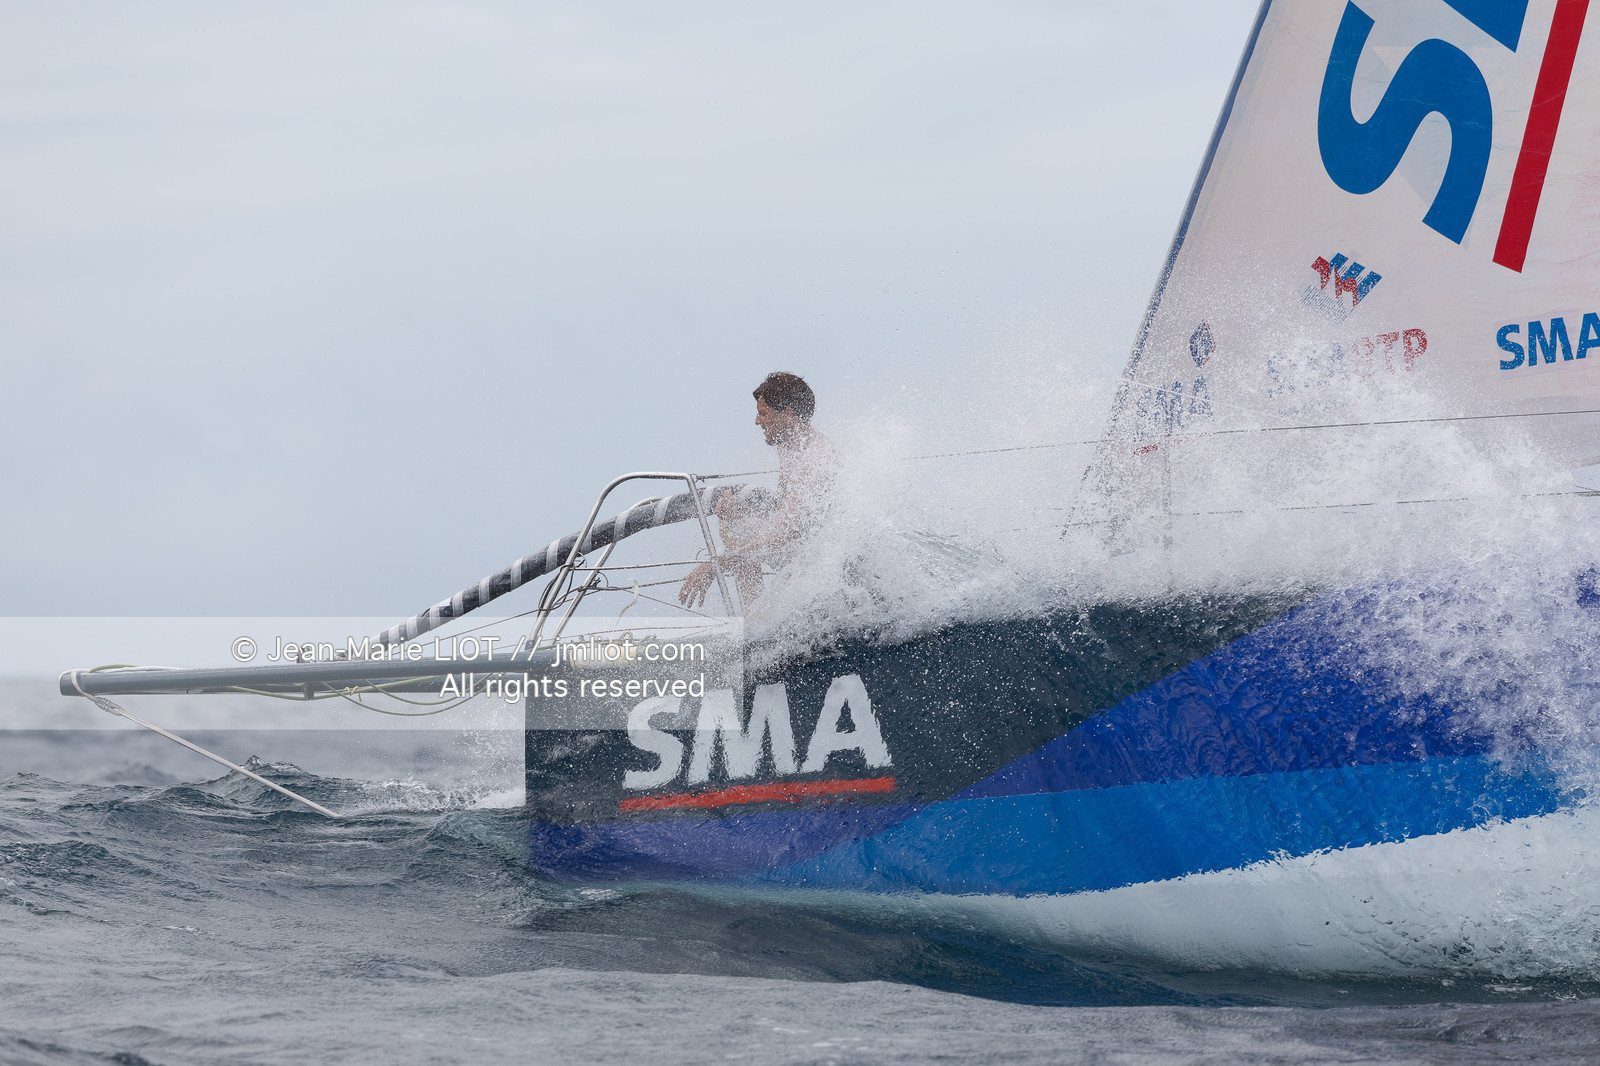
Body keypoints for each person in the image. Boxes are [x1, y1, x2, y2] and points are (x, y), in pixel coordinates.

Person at [679, 372, 840, 610]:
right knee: (735, 521)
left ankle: (757, 621)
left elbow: (781, 535)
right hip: (800, 545)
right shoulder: (788, 442)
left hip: (819, 560)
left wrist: (714, 566)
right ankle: (751, 615)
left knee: (742, 531)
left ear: (787, 414)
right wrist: (736, 512)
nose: (757, 421)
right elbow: (785, 506)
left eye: (763, 413)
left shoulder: (813, 459)